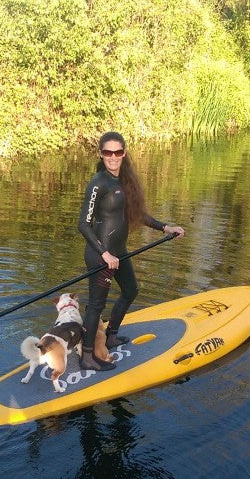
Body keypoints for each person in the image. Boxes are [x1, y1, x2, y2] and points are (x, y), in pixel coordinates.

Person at [76, 131, 185, 371]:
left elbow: (138, 213)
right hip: (101, 255)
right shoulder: (98, 183)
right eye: (108, 152)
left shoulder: (123, 181)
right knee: (96, 305)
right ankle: (86, 357)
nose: (113, 157)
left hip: (119, 252)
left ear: (124, 153)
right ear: (101, 154)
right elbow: (83, 224)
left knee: (131, 290)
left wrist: (165, 227)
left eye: (117, 152)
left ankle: (111, 335)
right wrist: (105, 254)